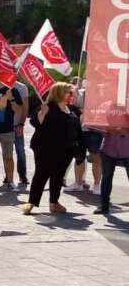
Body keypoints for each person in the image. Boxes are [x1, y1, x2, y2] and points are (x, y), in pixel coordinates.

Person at [22, 83, 83, 215]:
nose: (71, 96)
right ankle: (31, 202)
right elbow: (35, 123)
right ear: (60, 93)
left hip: (66, 150)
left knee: (58, 176)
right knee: (41, 174)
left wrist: (79, 149)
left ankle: (54, 202)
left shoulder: (72, 110)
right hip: (45, 148)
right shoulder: (48, 106)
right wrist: (42, 114)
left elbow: (77, 130)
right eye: (69, 93)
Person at [95, 130, 129, 215]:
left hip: (127, 149)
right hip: (108, 149)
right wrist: (107, 128)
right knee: (106, 178)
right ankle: (104, 206)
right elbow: (97, 126)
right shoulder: (105, 115)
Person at [11, 79, 30, 189]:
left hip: (17, 124)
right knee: (7, 153)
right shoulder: (1, 85)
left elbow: (25, 108)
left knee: (20, 151)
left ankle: (22, 176)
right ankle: (8, 176)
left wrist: (21, 124)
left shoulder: (22, 87)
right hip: (5, 126)